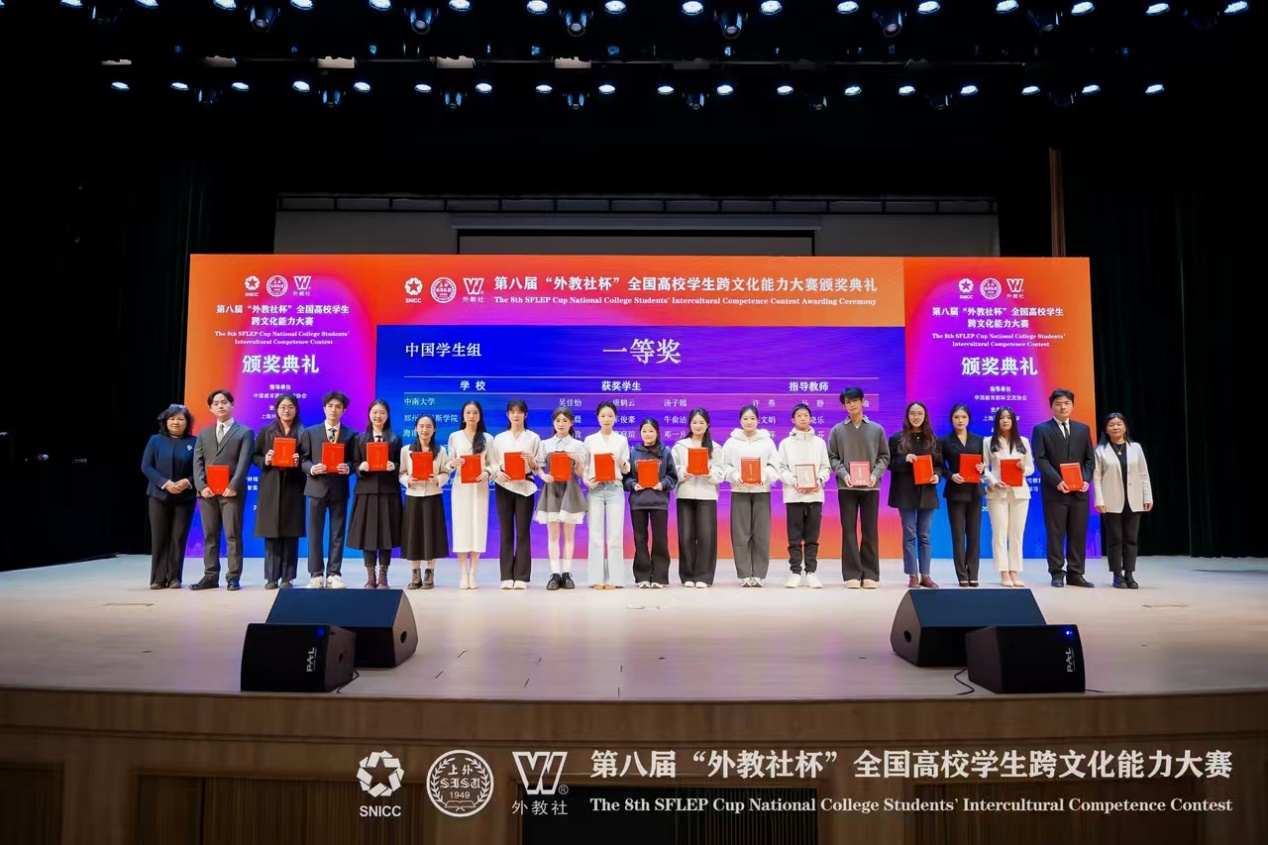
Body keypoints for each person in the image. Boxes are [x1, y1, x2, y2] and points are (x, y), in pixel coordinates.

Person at [1032, 389, 1097, 588]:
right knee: (1056, 533)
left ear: (1072, 406)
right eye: (1058, 403)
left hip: (1080, 492)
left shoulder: (1082, 429)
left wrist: (1086, 479)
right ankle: (1057, 573)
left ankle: (1076, 573)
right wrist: (1057, 480)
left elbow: (1089, 459)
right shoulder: (1041, 429)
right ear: (1051, 406)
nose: (1063, 407)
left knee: (1078, 533)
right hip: (1055, 491)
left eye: (1067, 403)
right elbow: (1041, 460)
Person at [826, 387, 890, 588]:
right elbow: (832, 457)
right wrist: (844, 475)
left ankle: (870, 574)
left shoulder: (876, 429)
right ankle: (852, 574)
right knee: (849, 531)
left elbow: (884, 456)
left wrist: (874, 475)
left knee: (870, 531)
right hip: (847, 488)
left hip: (871, 487)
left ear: (863, 401)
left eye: (855, 400)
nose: (851, 404)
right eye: (847, 402)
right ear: (843, 405)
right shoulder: (837, 430)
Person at [191, 389, 254, 591]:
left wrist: (233, 485)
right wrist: (201, 486)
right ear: (210, 408)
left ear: (232, 405)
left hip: (231, 492)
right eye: (216, 403)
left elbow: (244, 462)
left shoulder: (244, 432)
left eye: (224, 402)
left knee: (232, 535)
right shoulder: (204, 433)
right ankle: (210, 575)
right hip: (207, 493)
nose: (220, 406)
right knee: (210, 535)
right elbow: (197, 462)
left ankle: (233, 577)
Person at [299, 391, 356, 589]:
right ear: (324, 409)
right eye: (330, 406)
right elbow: (303, 460)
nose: (333, 410)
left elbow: (355, 461)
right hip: (316, 488)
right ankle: (315, 574)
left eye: (338, 407)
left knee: (337, 533)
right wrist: (312, 468)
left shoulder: (351, 435)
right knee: (315, 534)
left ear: (343, 410)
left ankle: (334, 573)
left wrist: (348, 468)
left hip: (339, 489)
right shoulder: (310, 432)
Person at [1093, 412, 1154, 589]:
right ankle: (1117, 575)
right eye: (1111, 425)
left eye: (1119, 424)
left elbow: (1144, 474)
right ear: (1106, 429)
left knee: (1131, 539)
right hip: (1111, 500)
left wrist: (1147, 496)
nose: (1115, 427)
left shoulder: (1136, 448)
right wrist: (1099, 499)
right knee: (1116, 539)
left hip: (1134, 499)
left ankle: (1129, 574)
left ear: (1125, 427)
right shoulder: (1100, 451)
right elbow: (1096, 478)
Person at [252, 393, 306, 589]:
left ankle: (287, 578)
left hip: (294, 485)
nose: (286, 410)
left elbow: (309, 459)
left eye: (291, 407)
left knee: (291, 532)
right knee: (271, 532)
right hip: (271, 485)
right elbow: (255, 456)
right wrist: (265, 460)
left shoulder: (303, 433)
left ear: (296, 410)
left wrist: (299, 461)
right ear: (276, 409)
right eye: (283, 407)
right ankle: (271, 577)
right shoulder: (266, 431)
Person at [141, 404, 197, 589]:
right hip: (158, 495)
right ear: (165, 422)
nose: (176, 422)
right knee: (160, 537)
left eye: (180, 419)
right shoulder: (155, 440)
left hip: (185, 497)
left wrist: (187, 482)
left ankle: (174, 577)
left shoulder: (195, 442)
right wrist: (165, 483)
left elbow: (200, 468)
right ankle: (157, 578)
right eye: (172, 419)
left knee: (178, 537)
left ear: (187, 423)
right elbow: (146, 466)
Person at [348, 399, 402, 589]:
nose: (378, 416)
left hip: (388, 492)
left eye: (382, 413)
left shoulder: (395, 439)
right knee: (368, 535)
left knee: (386, 534)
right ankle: (370, 576)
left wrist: (394, 466)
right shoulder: (359, 439)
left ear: (387, 416)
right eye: (375, 412)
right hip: (366, 492)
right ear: (369, 414)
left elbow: (401, 464)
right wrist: (360, 467)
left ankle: (383, 576)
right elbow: (353, 464)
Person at [888, 401, 942, 589]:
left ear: (925, 416)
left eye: (920, 413)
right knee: (909, 534)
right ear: (907, 416)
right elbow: (889, 464)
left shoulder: (933, 440)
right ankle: (912, 575)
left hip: (927, 492)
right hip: (905, 492)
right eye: (912, 413)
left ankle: (926, 575)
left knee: (924, 535)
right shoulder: (897, 439)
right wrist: (905, 459)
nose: (916, 417)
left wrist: (937, 476)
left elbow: (939, 465)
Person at [777, 404, 831, 589]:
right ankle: (795, 573)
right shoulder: (785, 443)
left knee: (812, 538)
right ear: (793, 419)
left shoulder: (819, 443)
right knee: (794, 538)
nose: (802, 418)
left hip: (815, 495)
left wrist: (819, 480)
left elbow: (826, 467)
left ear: (811, 418)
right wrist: (794, 481)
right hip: (793, 496)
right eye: (799, 415)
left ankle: (811, 573)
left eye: (806, 415)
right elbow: (780, 468)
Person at [671, 408, 725, 588]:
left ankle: (704, 576)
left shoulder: (715, 448)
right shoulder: (680, 446)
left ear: (707, 424)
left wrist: (709, 473)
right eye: (694, 422)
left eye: (701, 422)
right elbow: (673, 470)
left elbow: (721, 473)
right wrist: (684, 472)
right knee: (686, 536)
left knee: (706, 537)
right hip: (685, 494)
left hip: (707, 495)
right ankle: (687, 575)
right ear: (689, 424)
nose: (698, 425)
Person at [535, 407, 588, 590]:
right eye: (558, 420)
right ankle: (555, 574)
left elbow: (580, 473)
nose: (561, 424)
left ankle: (566, 573)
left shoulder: (578, 445)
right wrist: (543, 476)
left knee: (569, 535)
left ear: (571, 423)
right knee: (553, 535)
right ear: (553, 423)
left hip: (570, 490)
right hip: (551, 489)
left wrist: (577, 460)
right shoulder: (545, 444)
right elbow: (539, 467)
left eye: (565, 420)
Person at [982, 407, 1035, 587]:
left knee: (1017, 534)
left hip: (1020, 493)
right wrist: (993, 481)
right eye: (1001, 418)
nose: (1005, 421)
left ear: (1013, 421)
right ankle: (1003, 572)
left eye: (1008, 418)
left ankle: (1014, 571)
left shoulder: (1023, 442)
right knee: (1000, 533)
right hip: (997, 493)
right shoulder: (988, 442)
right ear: (996, 421)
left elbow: (1031, 468)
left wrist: (1023, 469)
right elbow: (983, 468)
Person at [492, 399, 540, 590]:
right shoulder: (499, 438)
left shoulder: (533, 438)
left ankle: (521, 576)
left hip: (525, 487)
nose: (516, 415)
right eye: (512, 412)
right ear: (507, 415)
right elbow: (492, 462)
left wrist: (532, 461)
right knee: (506, 532)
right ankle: (506, 575)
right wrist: (497, 472)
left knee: (522, 532)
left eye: (520, 412)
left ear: (525, 415)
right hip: (504, 486)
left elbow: (538, 466)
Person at [447, 399, 494, 590]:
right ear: (463, 416)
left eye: (475, 412)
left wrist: (487, 472)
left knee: (477, 527)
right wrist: (453, 464)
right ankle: (463, 573)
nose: (471, 416)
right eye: (468, 412)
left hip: (479, 487)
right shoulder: (455, 437)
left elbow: (493, 463)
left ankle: (473, 572)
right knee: (461, 527)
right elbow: (447, 463)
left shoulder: (487, 438)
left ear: (480, 416)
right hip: (461, 488)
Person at [582, 401, 630, 589]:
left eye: (610, 416)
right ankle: (596, 578)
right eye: (603, 416)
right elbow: (585, 466)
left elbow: (626, 469)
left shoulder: (621, 440)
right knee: (595, 535)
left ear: (616, 418)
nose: (606, 419)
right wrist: (586, 481)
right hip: (595, 488)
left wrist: (620, 461)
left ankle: (614, 579)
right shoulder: (590, 440)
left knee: (615, 535)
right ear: (597, 418)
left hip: (614, 488)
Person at [624, 419, 677, 588]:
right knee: (640, 540)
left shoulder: (665, 453)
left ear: (657, 433)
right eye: (644, 431)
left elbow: (672, 477)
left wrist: (662, 484)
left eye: (651, 431)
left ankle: (660, 577)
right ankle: (642, 576)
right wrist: (633, 484)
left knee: (660, 540)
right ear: (640, 433)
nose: (647, 434)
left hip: (659, 502)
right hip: (638, 502)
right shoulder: (633, 453)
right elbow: (626, 478)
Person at [400, 414, 450, 590]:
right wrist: (407, 480)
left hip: (433, 496)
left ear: (434, 429)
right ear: (416, 428)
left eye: (429, 426)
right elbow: (401, 473)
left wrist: (438, 479)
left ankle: (430, 573)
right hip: (413, 496)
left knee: (431, 534)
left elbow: (445, 472)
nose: (424, 430)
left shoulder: (440, 451)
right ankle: (415, 573)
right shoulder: (406, 450)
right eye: (421, 426)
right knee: (413, 534)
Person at [939, 404, 985, 587]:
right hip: (955, 492)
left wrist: (982, 468)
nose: (960, 420)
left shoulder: (979, 440)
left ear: (969, 419)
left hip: (974, 491)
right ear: (951, 419)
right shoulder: (944, 441)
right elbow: (940, 466)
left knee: (974, 535)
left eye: (964, 417)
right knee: (958, 536)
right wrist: (951, 475)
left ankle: (973, 573)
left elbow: (984, 464)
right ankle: (962, 575)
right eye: (956, 417)